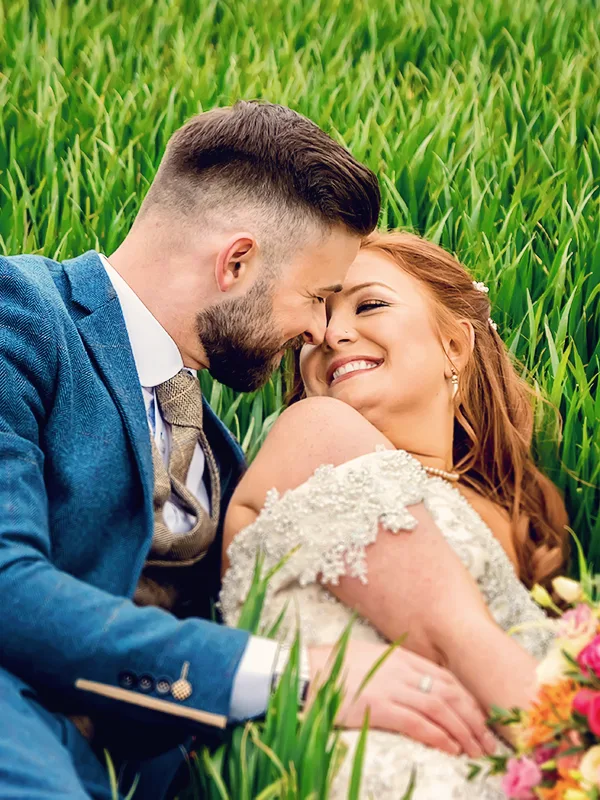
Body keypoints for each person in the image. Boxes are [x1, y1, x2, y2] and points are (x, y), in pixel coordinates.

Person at [0, 103, 491, 800]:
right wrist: (295, 675)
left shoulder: (224, 452)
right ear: (237, 262)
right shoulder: (20, 314)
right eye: (318, 297)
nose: (321, 332)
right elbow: (6, 588)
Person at [220, 231, 570, 798]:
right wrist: (583, 758)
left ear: (455, 347)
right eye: (316, 317)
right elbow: (458, 641)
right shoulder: (317, 432)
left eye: (370, 304)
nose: (331, 334)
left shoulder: (513, 523)